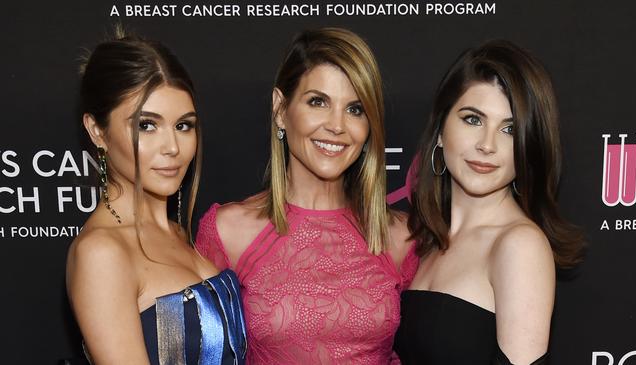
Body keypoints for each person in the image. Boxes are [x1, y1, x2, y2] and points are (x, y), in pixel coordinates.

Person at [196, 27, 417, 364]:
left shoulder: (400, 236)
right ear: (281, 108)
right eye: (318, 102)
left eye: (355, 109)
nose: (337, 126)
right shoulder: (228, 232)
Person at [393, 40, 584, 364]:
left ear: (528, 146)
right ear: (440, 129)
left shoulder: (518, 245)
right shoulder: (426, 239)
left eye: (509, 129)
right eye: (472, 119)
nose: (487, 145)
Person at [66, 30, 246, 364]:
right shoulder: (102, 252)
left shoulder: (178, 234)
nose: (173, 148)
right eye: (147, 126)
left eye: (183, 126)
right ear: (97, 131)